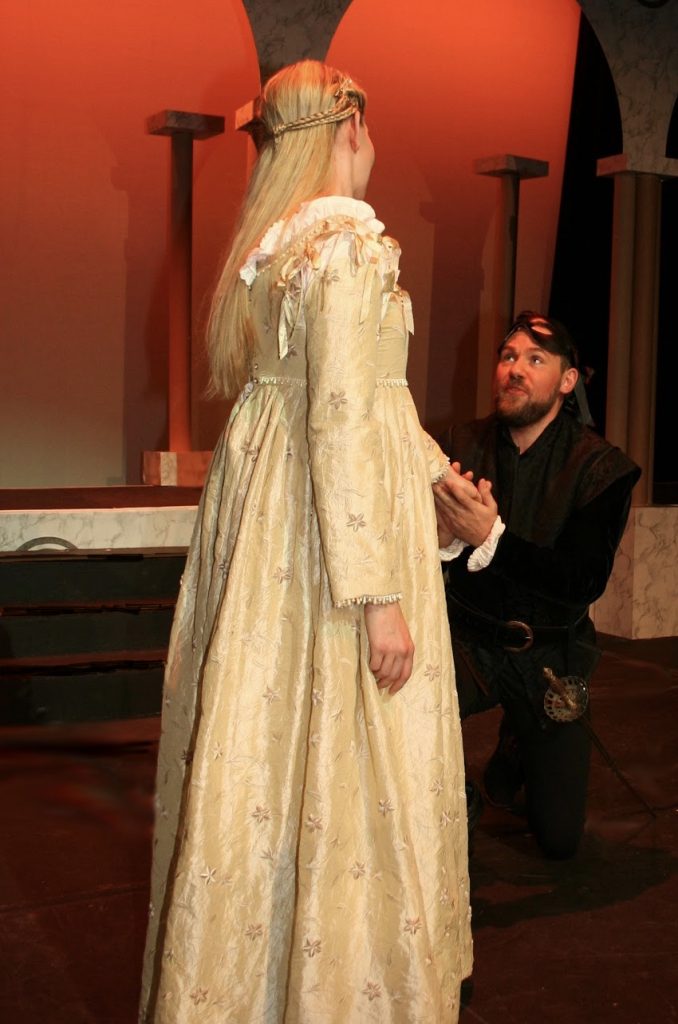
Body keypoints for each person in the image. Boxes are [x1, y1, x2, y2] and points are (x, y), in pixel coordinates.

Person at [140, 61, 472, 1022]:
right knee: (349, 757)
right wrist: (379, 597)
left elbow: (364, 406)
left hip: (275, 546)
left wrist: (440, 479)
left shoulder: (274, 254)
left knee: (271, 748)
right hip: (334, 548)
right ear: (351, 126)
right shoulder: (348, 246)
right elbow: (341, 417)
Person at [434, 311, 640, 860]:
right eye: (508, 356)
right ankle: (454, 797)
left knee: (559, 839)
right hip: (466, 644)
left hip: (549, 656)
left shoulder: (602, 469)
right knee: (394, 698)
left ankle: (518, 747)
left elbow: (582, 582)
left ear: (567, 380)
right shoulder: (456, 444)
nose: (515, 369)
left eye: (535, 359)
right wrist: (440, 536)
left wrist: (491, 538)